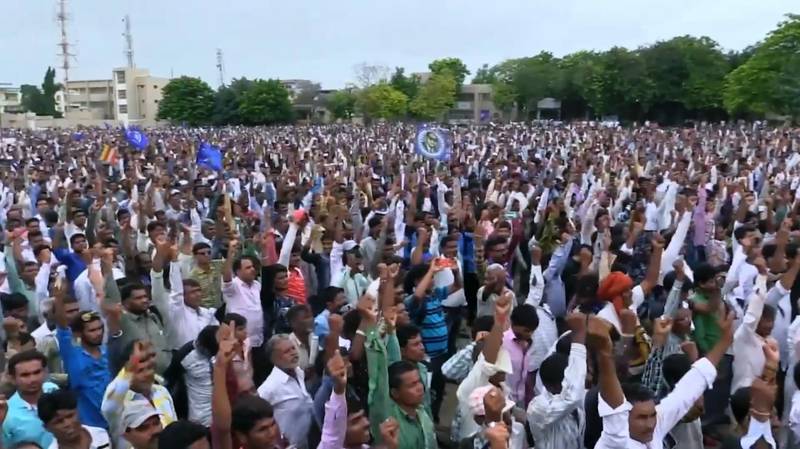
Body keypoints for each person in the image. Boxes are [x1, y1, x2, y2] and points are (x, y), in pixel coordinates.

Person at [526, 312, 587, 449]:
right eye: (567, 381)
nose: (576, 383)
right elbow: (571, 396)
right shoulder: (538, 407)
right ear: (552, 387)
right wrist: (579, 338)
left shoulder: (577, 408)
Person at [256, 334, 314, 449]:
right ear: (275, 359)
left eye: (293, 348)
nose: (293, 352)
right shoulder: (270, 387)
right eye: (287, 351)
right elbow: (256, 416)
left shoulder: (299, 372)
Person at [3, 350, 59, 449]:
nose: (33, 379)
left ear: (45, 372)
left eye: (37, 372)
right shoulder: (6, 414)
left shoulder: (54, 390)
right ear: (12, 379)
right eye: (25, 375)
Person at [37, 389, 111, 449]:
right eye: (59, 422)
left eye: (70, 416)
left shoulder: (101, 434)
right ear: (47, 427)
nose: (67, 424)